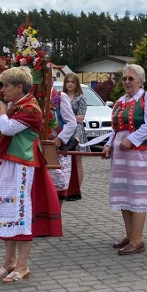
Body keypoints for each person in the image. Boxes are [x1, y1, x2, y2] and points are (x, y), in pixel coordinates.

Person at [0, 67, 62, 283]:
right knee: (5, 212)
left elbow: (9, 129)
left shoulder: (30, 108)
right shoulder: (15, 106)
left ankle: (23, 265)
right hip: (6, 165)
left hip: (22, 167)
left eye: (6, 86)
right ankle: (9, 261)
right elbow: (3, 132)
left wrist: (1, 110)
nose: (3, 90)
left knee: (20, 214)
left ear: (19, 87)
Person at [101, 64, 147, 255]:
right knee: (124, 193)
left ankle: (138, 240)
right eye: (124, 78)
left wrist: (132, 139)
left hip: (139, 153)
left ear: (141, 81)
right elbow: (115, 128)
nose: (126, 82)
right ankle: (130, 235)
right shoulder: (120, 101)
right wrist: (109, 144)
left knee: (137, 194)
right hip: (121, 154)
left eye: (131, 78)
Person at [48, 86, 78, 200]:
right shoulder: (33, 96)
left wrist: (60, 139)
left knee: (57, 189)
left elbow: (71, 122)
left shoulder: (60, 96)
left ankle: (56, 216)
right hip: (40, 148)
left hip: (58, 149)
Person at [64, 73, 88, 201]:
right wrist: (73, 118)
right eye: (68, 81)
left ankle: (76, 189)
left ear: (76, 84)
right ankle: (66, 188)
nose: (70, 84)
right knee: (65, 161)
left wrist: (72, 119)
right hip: (64, 131)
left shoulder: (81, 98)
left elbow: (81, 118)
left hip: (77, 131)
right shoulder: (61, 97)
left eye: (72, 82)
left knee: (78, 161)